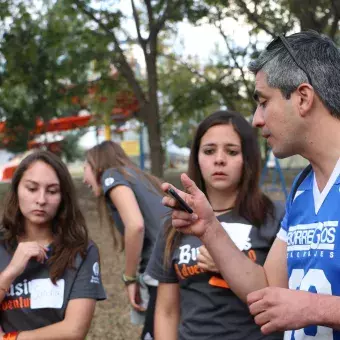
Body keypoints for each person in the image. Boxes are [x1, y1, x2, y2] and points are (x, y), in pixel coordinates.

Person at [161, 30, 340, 340]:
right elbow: (267, 288)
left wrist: (318, 309)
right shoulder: (302, 189)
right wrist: (209, 229)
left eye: (263, 102)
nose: (256, 119)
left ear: (303, 98)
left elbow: (306, 306)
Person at [146, 110, 284, 340]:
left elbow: (283, 298)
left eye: (231, 151)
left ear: (247, 158)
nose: (219, 159)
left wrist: (227, 262)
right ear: (197, 158)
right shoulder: (176, 224)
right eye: (209, 151)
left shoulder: (275, 217)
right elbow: (167, 311)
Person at [0, 150, 106, 339]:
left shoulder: (82, 251)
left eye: (52, 191)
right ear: (16, 189)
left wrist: (11, 338)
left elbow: (74, 331)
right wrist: (11, 271)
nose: (41, 200)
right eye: (32, 189)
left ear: (63, 198)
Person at [83, 141, 169, 340]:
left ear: (97, 164)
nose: (85, 178)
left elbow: (135, 226)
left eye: (85, 167)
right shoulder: (138, 176)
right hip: (174, 263)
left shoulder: (110, 175)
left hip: (162, 269)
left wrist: (129, 278)